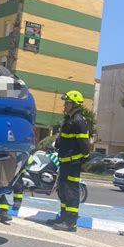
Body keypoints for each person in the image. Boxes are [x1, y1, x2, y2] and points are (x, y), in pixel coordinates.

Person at [46, 90, 89, 232]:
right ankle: (63, 217)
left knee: (71, 192)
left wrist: (84, 159)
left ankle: (71, 222)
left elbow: (84, 144)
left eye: (67, 103)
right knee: (63, 190)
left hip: (72, 164)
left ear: (74, 104)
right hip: (65, 162)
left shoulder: (79, 121)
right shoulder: (68, 120)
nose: (64, 105)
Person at [0, 154, 33, 222]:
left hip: (17, 168)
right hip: (5, 165)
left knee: (17, 184)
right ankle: (4, 213)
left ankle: (17, 202)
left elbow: (29, 157)